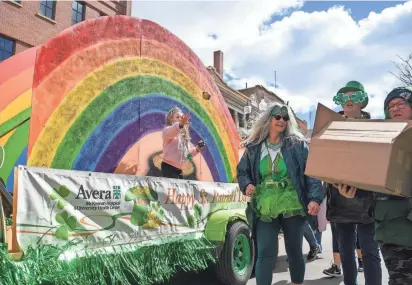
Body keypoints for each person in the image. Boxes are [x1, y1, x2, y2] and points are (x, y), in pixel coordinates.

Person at [237, 103, 323, 285]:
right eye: (278, 116)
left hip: (293, 203)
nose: (282, 120)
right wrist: (247, 185)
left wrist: (315, 198)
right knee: (265, 253)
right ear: (268, 119)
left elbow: (312, 172)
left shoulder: (297, 145)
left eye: (286, 117)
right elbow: (242, 172)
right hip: (264, 206)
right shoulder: (254, 148)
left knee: (294, 251)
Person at [338, 86, 412, 285]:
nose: (395, 108)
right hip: (393, 230)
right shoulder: (381, 142)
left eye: (401, 104)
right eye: (391, 106)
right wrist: (354, 194)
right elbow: (373, 190)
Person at [326, 81, 382, 285]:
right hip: (340, 201)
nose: (348, 101)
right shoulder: (330, 128)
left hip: (367, 201)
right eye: (344, 97)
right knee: (346, 252)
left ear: (362, 102)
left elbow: (378, 164)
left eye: (354, 97)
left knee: (369, 251)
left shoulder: (376, 129)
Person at [161, 107, 203, 179]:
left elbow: (187, 155)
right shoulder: (167, 131)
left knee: (178, 189)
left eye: (181, 117)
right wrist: (180, 125)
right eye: (177, 117)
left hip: (179, 170)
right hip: (168, 167)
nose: (180, 119)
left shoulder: (183, 138)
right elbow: (172, 131)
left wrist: (197, 149)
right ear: (171, 119)